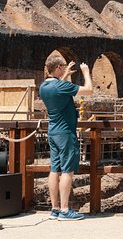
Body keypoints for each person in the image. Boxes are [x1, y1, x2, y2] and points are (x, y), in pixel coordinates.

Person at [39, 56, 93, 221]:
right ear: (57, 68)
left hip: (53, 132)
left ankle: (55, 209)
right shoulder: (61, 86)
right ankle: (64, 210)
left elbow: (58, 86)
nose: (64, 68)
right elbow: (89, 90)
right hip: (65, 133)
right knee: (67, 171)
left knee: (54, 170)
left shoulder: (43, 86)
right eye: (62, 66)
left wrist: (66, 74)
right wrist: (86, 72)